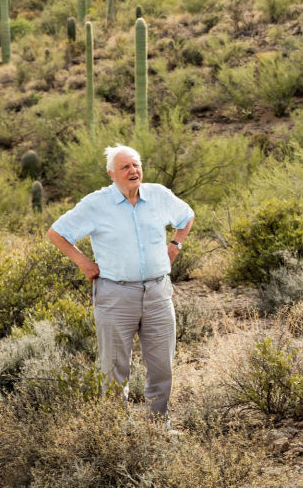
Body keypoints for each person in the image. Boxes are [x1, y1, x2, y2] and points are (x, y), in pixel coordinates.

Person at [47, 144, 194, 416]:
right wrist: (84, 263)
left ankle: (157, 426)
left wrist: (175, 245)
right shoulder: (96, 204)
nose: (133, 170)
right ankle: (115, 430)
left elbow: (187, 216)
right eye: (125, 167)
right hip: (115, 294)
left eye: (136, 165)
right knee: (114, 368)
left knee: (162, 365)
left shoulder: (159, 195)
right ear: (111, 174)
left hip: (158, 293)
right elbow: (56, 234)